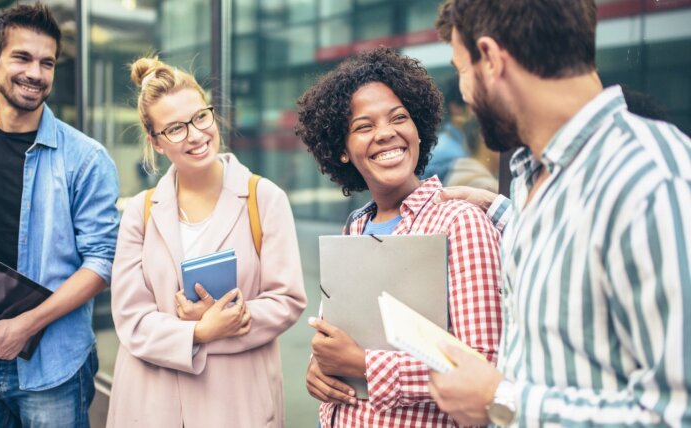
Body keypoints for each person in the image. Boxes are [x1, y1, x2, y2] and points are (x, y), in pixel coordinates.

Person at [428, 1, 691, 426]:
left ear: (492, 59)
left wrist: (500, 401)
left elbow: (678, 414)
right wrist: (501, 212)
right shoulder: (537, 176)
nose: (463, 93)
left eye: (462, 70)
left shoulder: (653, 181)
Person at [0, 3, 119, 427]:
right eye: (22, 57)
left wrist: (25, 326)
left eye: (46, 62)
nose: (36, 73)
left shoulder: (86, 159)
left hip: (53, 367)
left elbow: (102, 263)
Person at [295, 47, 502, 427]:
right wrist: (319, 368)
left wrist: (363, 364)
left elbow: (483, 367)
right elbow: (336, 342)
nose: (386, 133)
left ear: (419, 129)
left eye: (398, 118)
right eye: (364, 126)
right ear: (342, 150)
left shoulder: (460, 222)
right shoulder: (355, 227)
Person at [107, 56, 307, 427]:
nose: (196, 135)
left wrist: (229, 319)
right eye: (176, 128)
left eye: (201, 117)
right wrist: (200, 331)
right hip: (153, 402)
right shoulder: (142, 211)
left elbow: (287, 300)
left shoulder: (264, 198)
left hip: (235, 402)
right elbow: (131, 319)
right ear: (155, 141)